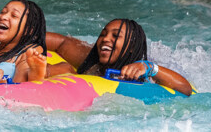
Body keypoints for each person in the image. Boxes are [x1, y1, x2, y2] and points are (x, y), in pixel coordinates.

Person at [44, 19, 194, 96]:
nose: (105, 39)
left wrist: (149, 68)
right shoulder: (91, 60)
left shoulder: (140, 73)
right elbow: (63, 43)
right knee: (64, 68)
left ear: (131, 47)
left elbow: (185, 89)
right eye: (103, 34)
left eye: (115, 36)